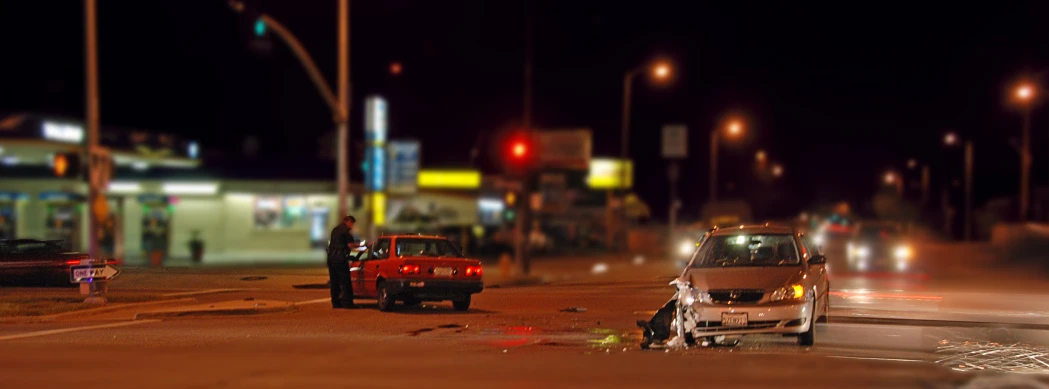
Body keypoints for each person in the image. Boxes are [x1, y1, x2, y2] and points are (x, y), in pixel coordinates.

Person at [327, 215, 359, 309]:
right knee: (345, 281)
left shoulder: (335, 230)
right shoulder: (346, 231)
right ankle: (348, 303)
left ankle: (335, 302)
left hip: (331, 258)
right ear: (349, 222)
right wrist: (360, 245)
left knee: (334, 281)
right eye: (352, 224)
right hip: (340, 258)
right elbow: (350, 245)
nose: (352, 226)